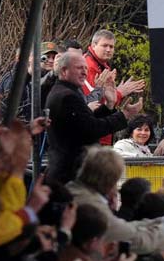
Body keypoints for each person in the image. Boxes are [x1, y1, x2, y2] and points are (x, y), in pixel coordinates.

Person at [44, 49, 139, 185]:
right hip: (70, 174)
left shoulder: (70, 92)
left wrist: (109, 106)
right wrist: (124, 115)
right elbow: (91, 129)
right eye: (79, 68)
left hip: (73, 172)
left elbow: (86, 120)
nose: (84, 72)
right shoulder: (66, 96)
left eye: (85, 68)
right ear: (64, 71)